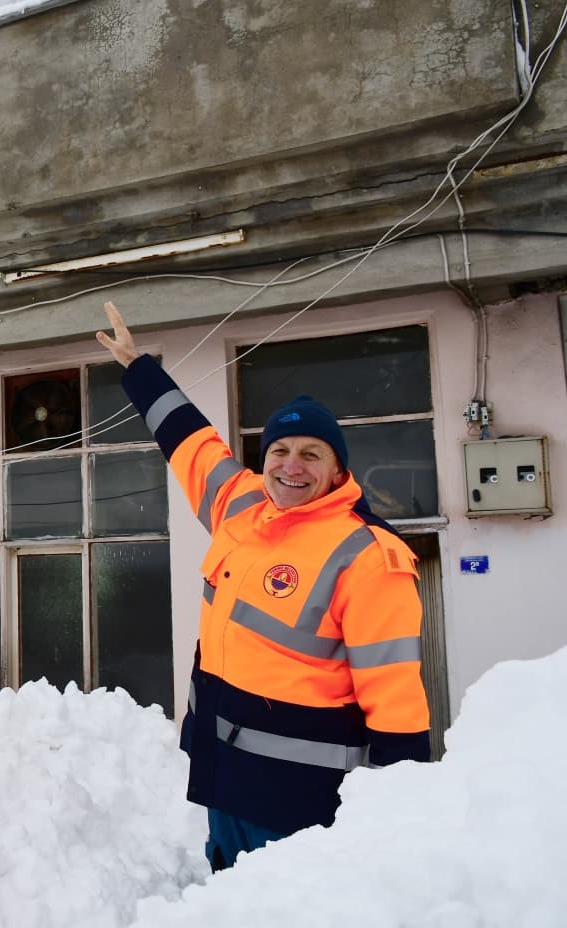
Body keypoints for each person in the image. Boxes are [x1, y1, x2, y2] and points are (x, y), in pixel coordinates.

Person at [95, 301, 431, 872]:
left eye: (310, 454)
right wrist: (138, 368)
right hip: (221, 774)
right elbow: (191, 442)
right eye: (279, 450)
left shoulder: (368, 554)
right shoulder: (241, 505)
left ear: (336, 469)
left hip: (298, 801)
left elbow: (394, 695)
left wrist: (406, 812)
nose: (290, 466)